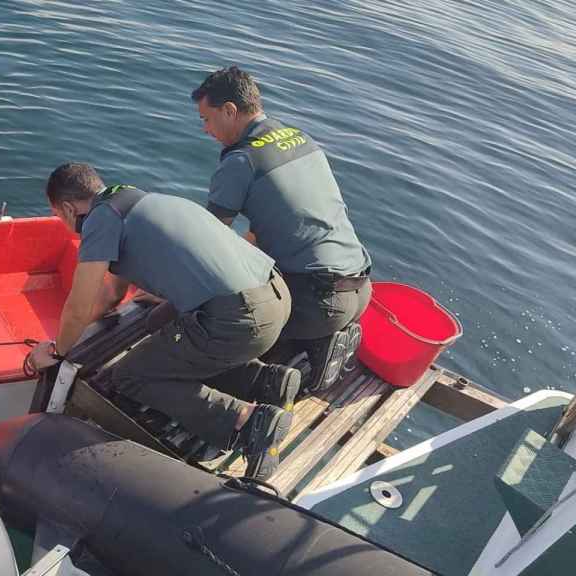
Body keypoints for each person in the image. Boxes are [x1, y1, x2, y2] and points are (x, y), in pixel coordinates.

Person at [26, 163, 301, 479]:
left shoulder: (99, 220)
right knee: (158, 322)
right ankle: (268, 382)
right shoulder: (140, 200)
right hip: (276, 295)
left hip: (240, 318)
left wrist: (56, 352)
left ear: (67, 208)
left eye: (61, 217)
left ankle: (247, 421)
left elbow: (79, 306)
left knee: (131, 375)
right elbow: (113, 296)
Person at [191, 66, 373, 382]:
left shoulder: (240, 161)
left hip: (319, 302)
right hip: (360, 288)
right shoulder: (300, 138)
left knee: (214, 331)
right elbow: (281, 221)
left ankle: (286, 367)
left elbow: (210, 247)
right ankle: (319, 345)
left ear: (230, 111)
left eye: (207, 119)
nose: (206, 130)